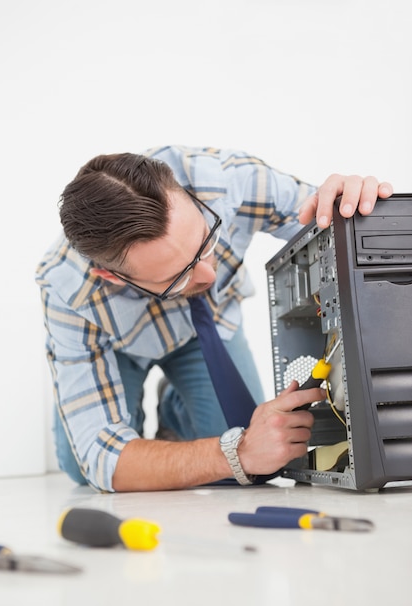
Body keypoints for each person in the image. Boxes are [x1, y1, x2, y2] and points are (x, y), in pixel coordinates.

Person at [35, 145, 393, 493]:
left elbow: (325, 225)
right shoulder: (68, 291)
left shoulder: (228, 180)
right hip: (116, 351)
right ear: (112, 277)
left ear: (185, 192)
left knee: (252, 456)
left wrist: (357, 212)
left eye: (205, 241)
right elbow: (101, 455)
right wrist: (236, 451)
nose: (208, 275)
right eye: (177, 277)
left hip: (209, 327)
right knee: (80, 470)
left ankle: (174, 410)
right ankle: (143, 411)